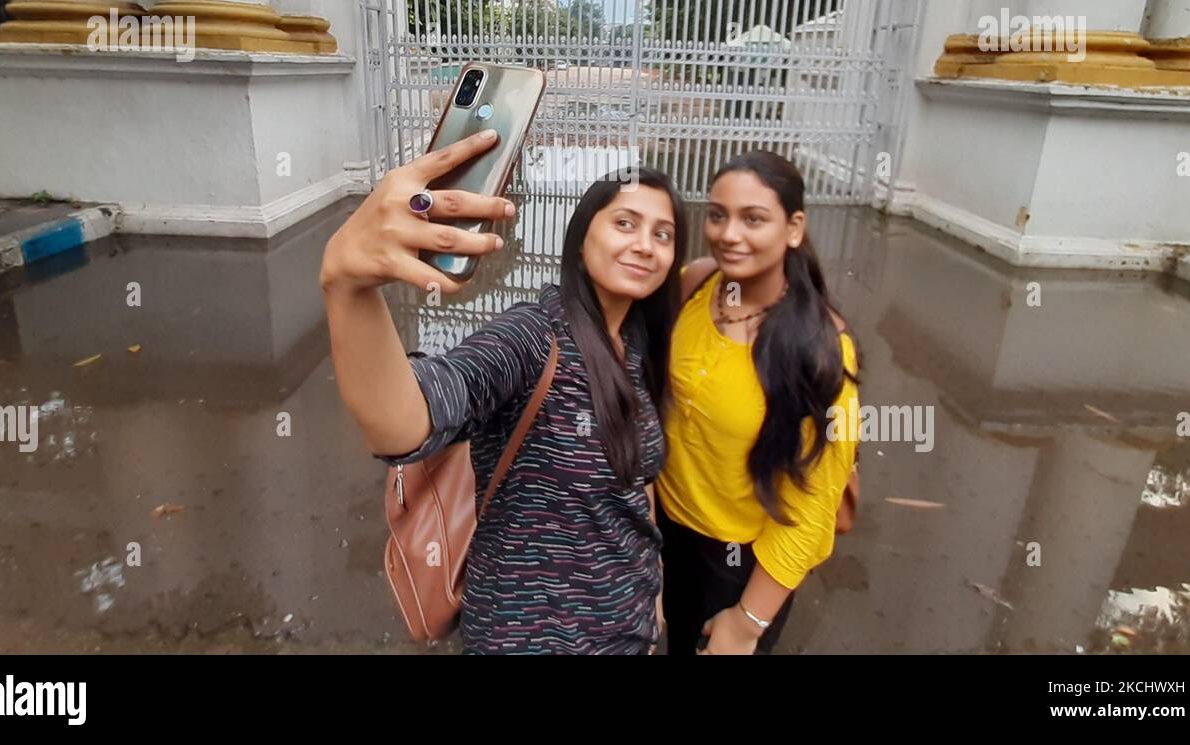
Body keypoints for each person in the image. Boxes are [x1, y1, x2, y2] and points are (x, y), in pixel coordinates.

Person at [320, 129, 688, 653]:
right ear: (582, 239)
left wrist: (652, 601)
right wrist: (347, 285)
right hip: (526, 635)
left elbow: (637, 479)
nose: (644, 245)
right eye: (625, 224)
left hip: (627, 628)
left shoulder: (638, 343)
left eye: (663, 234)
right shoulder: (535, 338)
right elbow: (410, 417)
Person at [657, 150, 860, 655]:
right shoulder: (695, 285)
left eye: (753, 219)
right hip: (663, 534)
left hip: (738, 564)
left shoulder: (818, 350)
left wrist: (747, 622)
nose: (729, 234)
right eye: (719, 215)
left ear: (793, 228)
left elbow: (813, 506)